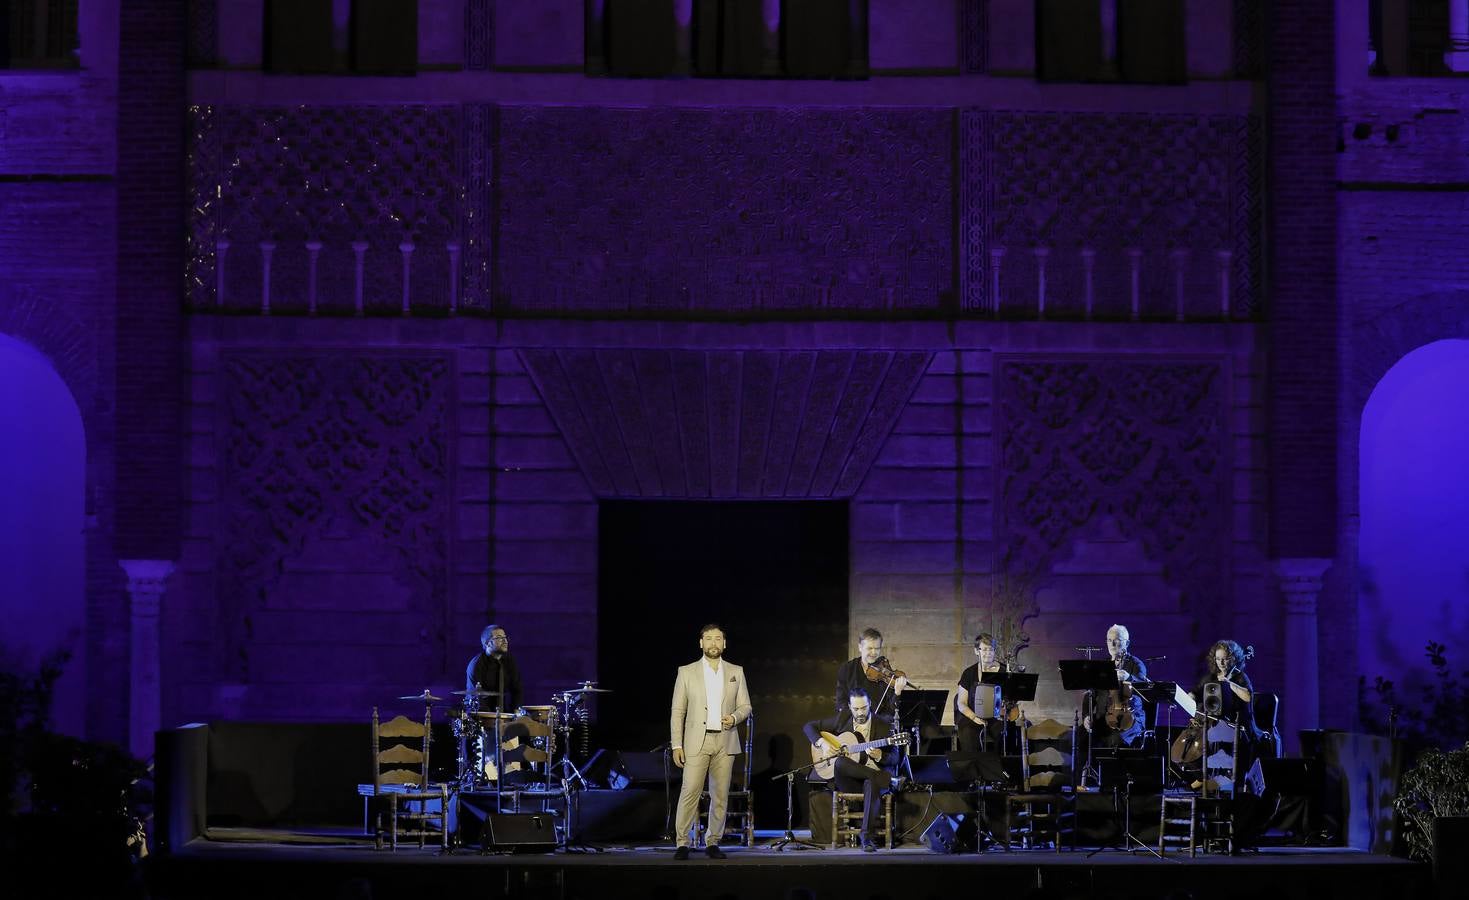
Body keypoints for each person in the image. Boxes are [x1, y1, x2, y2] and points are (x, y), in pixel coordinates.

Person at [670, 623, 752, 860]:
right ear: (701, 643)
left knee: (720, 795)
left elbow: (745, 705)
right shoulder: (686, 672)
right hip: (697, 741)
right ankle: (682, 842)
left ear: (724, 644)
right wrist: (677, 744)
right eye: (708, 639)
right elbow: (678, 710)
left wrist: (734, 717)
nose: (713, 643)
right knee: (690, 791)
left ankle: (713, 841)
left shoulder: (736, 671)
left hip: (725, 741)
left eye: (718, 639)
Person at [804, 687, 898, 852]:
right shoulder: (843, 718)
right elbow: (808, 726)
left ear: (870, 704)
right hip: (849, 781)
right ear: (849, 706)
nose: (860, 713)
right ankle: (879, 777)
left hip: (870, 781)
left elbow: (896, 759)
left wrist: (880, 756)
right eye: (856, 709)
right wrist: (823, 744)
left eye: (864, 708)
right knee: (840, 762)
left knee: (871, 783)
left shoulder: (884, 725)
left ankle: (866, 838)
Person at [1082, 624, 1149, 749]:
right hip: (1102, 720)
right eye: (1109, 640)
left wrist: (1129, 677)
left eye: (1116, 640)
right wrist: (1086, 716)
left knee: (1115, 740)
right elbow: (1089, 695)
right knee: (1081, 739)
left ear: (1127, 643)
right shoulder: (1103, 666)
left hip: (1129, 720)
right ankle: (1087, 769)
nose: (1112, 644)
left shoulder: (1136, 664)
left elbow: (1144, 688)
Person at [834, 628, 908, 717]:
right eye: (870, 648)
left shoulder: (884, 672)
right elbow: (841, 702)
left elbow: (891, 711)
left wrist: (897, 693)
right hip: (853, 722)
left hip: (878, 724)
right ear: (860, 647)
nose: (873, 653)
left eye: (877, 649)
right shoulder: (847, 669)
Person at [954, 632, 1006, 753]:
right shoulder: (969, 673)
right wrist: (974, 717)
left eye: (991, 650)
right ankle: (975, 768)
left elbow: (1011, 698)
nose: (988, 653)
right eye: (985, 650)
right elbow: (961, 703)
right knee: (967, 731)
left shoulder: (1004, 671)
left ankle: (999, 768)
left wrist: (1005, 710)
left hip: (996, 717)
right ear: (976, 651)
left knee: (1006, 732)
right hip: (972, 715)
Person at [465, 624, 521, 712]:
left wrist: (516, 710)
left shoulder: (510, 661)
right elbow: (476, 698)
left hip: (503, 712)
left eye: (505, 637)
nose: (505, 641)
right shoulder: (477, 665)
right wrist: (492, 720)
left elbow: (517, 690)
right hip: (481, 713)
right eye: (499, 638)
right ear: (487, 643)